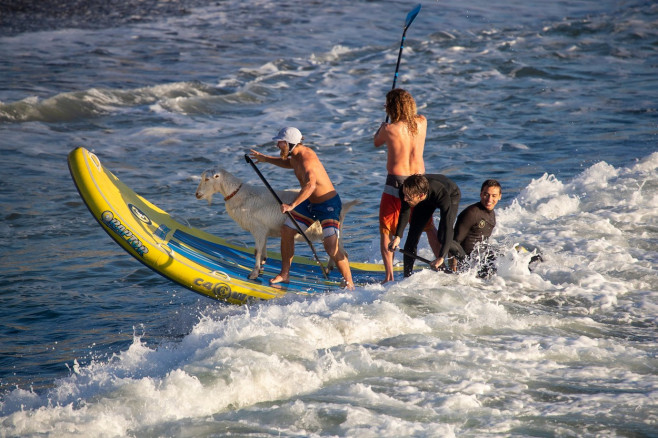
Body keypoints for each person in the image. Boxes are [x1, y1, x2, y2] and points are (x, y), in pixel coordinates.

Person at [249, 127, 354, 290]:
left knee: (330, 247)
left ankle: (349, 283)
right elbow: (288, 163)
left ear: (290, 143)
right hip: (311, 203)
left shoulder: (306, 159)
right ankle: (285, 274)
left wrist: (292, 205)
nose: (277, 146)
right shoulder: (295, 155)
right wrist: (265, 159)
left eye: (280, 143)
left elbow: (311, 185)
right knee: (287, 231)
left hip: (328, 205)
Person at [373, 88, 439, 283]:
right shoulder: (422, 121)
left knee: (386, 229)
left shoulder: (389, 129)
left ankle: (389, 276)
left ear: (392, 107)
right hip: (420, 182)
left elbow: (377, 142)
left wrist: (382, 124)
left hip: (397, 183)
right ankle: (442, 263)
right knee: (429, 227)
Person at [388, 174, 461, 277]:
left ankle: (463, 258)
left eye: (408, 197)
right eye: (404, 195)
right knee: (412, 237)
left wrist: (441, 257)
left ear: (421, 195)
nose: (404, 199)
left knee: (442, 236)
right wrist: (397, 236)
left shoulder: (441, 193)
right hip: (425, 200)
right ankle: (407, 277)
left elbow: (448, 226)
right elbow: (404, 212)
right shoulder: (405, 191)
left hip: (450, 195)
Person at [448, 179, 501, 273]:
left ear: (499, 197)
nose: (489, 199)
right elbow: (453, 244)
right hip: (470, 265)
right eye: (486, 194)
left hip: (482, 258)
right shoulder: (472, 213)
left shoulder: (491, 214)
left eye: (494, 196)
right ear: (481, 194)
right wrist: (454, 270)